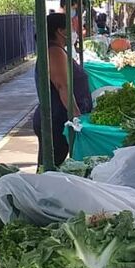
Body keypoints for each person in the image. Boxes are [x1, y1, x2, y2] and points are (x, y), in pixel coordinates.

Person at [32, 12, 92, 167]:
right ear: (60, 31)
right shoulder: (54, 52)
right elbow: (62, 86)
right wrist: (77, 117)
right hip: (57, 120)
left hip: (59, 119)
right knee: (51, 165)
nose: (74, 33)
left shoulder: (57, 50)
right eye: (71, 28)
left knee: (53, 164)